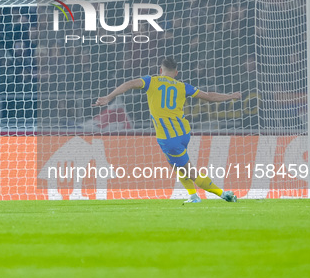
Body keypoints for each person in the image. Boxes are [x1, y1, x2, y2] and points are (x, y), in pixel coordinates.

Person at [94, 57, 241, 203]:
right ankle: (193, 196)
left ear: (160, 70)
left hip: (168, 137)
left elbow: (130, 84)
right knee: (176, 165)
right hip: (183, 132)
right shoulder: (182, 86)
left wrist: (109, 97)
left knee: (189, 171)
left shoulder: (151, 81)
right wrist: (230, 96)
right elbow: (210, 96)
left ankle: (223, 194)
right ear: (176, 72)